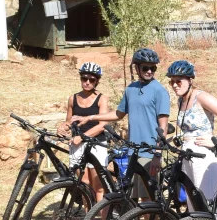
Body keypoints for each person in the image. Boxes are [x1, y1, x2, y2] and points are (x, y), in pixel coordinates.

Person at [73, 48, 170, 183]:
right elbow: (119, 114)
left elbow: (163, 125)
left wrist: (158, 155)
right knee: (131, 198)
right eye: (145, 68)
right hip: (133, 151)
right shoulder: (131, 89)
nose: (149, 71)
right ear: (136, 68)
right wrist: (90, 117)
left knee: (148, 200)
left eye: (152, 68)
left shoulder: (159, 91)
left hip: (150, 152)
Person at [166, 59, 217, 206]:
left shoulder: (201, 96)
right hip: (188, 152)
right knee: (193, 204)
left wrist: (215, 140)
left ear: (190, 80)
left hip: (203, 153)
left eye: (179, 81)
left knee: (205, 202)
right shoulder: (181, 100)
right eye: (172, 82)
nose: (175, 85)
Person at [59, 62, 110, 208]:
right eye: (84, 78)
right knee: (83, 183)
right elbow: (69, 120)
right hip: (77, 144)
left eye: (92, 80)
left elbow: (102, 125)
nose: (87, 82)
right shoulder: (72, 98)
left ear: (97, 81)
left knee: (98, 185)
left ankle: (102, 219)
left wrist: (82, 136)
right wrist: (63, 127)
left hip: (96, 143)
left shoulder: (101, 99)